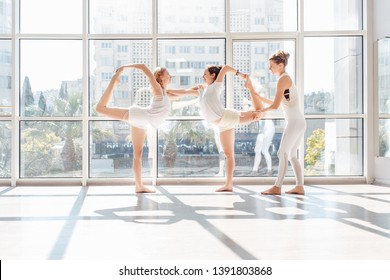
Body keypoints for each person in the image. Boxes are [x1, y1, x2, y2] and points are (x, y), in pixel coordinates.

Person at [167, 64, 264, 192]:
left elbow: (225, 68)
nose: (202, 76)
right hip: (222, 124)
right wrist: (164, 92)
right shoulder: (202, 90)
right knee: (229, 155)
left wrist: (240, 75)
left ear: (213, 75)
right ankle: (228, 184)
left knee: (258, 113)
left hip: (227, 117)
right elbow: (183, 93)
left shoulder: (215, 86)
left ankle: (250, 86)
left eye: (205, 74)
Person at [96, 63, 183, 193]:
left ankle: (139, 186)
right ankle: (114, 80)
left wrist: (198, 91)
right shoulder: (157, 88)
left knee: (138, 154)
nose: (171, 75)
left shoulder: (165, 93)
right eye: (168, 74)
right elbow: (143, 67)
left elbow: (183, 94)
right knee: (100, 109)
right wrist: (124, 67)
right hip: (139, 115)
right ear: (161, 76)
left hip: (143, 122)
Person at [245, 50, 306, 195]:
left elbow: (275, 106)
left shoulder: (283, 79)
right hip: (298, 121)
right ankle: (299, 186)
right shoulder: (284, 79)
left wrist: (260, 111)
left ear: (280, 65)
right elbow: (278, 103)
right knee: (291, 155)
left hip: (295, 122)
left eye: (271, 66)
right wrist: (258, 97)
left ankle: (277, 187)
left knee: (281, 153)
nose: (269, 69)